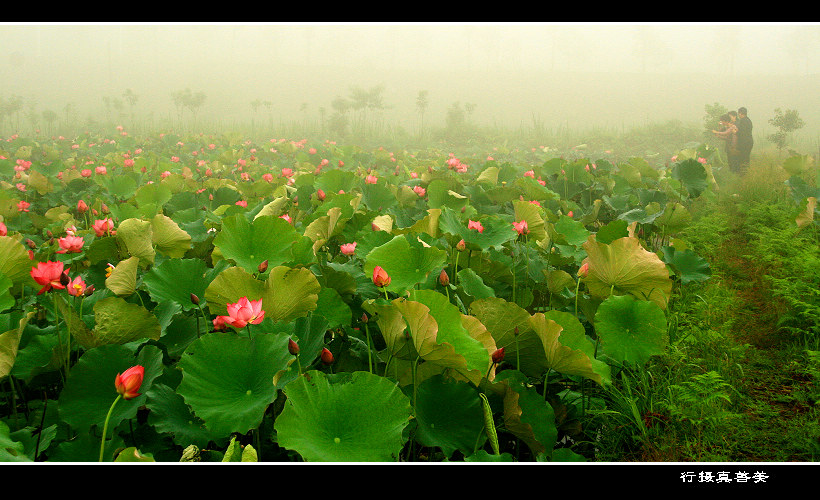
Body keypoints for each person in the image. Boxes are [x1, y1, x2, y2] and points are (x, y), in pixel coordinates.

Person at [735, 107, 753, 172]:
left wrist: (736, 132)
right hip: (749, 141)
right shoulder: (748, 120)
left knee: (743, 158)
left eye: (738, 113)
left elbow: (743, 132)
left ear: (740, 113)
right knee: (746, 157)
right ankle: (746, 171)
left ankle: (743, 173)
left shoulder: (743, 121)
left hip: (744, 142)